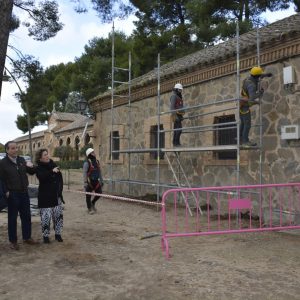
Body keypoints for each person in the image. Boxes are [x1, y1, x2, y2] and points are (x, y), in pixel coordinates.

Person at [0, 141, 37, 250]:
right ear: (7, 150)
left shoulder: (21, 160)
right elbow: (1, 180)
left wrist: (32, 166)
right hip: (12, 194)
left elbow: (31, 172)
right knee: (12, 218)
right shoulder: (2, 163)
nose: (15, 150)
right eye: (12, 148)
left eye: (16, 148)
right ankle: (13, 241)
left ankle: (27, 237)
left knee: (26, 216)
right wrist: (6, 191)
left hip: (24, 192)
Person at [35, 149, 64, 243]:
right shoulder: (39, 168)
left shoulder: (54, 165)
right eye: (45, 155)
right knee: (45, 217)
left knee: (58, 216)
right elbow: (42, 178)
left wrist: (60, 192)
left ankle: (58, 234)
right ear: (40, 158)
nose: (47, 156)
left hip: (56, 196)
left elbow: (60, 180)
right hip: (45, 196)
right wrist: (52, 171)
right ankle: (46, 236)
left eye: (47, 154)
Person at [240, 66, 271, 147]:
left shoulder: (249, 78)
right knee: (247, 124)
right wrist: (261, 92)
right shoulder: (252, 86)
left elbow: (258, 76)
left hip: (241, 104)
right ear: (256, 76)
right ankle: (245, 142)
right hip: (245, 106)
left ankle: (240, 139)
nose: (260, 77)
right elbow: (251, 100)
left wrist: (266, 75)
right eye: (259, 76)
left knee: (243, 124)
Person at [83, 148, 103, 215]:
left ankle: (93, 202)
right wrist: (85, 182)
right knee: (88, 196)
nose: (94, 153)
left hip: (96, 181)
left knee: (99, 193)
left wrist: (101, 180)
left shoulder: (97, 161)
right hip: (89, 181)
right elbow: (84, 173)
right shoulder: (87, 162)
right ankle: (89, 209)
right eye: (93, 152)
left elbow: (99, 171)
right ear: (90, 154)